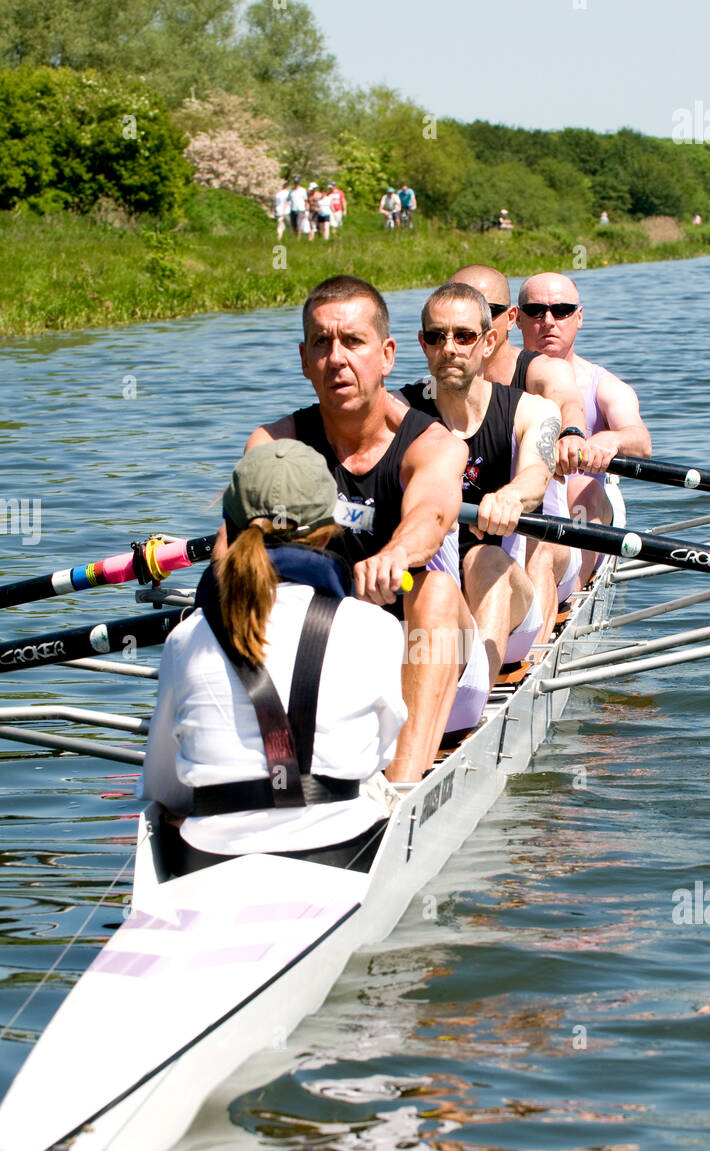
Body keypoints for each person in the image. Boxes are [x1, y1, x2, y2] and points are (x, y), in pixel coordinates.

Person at [245, 275, 481, 781]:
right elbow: (239, 545)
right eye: (322, 344)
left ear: (387, 355)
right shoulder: (274, 445)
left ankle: (398, 797)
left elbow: (431, 516)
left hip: (433, 653)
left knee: (434, 587)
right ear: (305, 360)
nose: (337, 358)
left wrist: (397, 554)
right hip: (326, 657)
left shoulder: (434, 445)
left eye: (353, 341)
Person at [141, 440, 407, 874]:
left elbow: (164, 787)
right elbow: (379, 757)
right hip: (344, 853)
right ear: (327, 530)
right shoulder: (375, 627)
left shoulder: (186, 638)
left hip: (208, 862)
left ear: (232, 525)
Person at [399, 282, 560, 688]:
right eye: (436, 337)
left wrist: (509, 497)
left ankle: (472, 696)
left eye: (464, 336)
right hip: (428, 591)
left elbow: (536, 478)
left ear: (488, 342)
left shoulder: (532, 410)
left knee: (486, 561)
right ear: (423, 344)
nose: (449, 348)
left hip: (508, 599)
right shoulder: (396, 413)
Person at [446, 265, 606, 640]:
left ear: (508, 318)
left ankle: (531, 659)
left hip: (543, 537)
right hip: (465, 543)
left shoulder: (539, 372)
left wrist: (570, 434)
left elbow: (565, 398)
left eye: (485, 310)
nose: (470, 324)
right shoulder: (432, 391)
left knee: (538, 544)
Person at [517, 271, 652, 582]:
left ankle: (569, 602)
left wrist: (612, 439)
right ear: (517, 319)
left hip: (582, 505)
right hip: (522, 501)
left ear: (579, 318)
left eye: (561, 310)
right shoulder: (496, 380)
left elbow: (642, 444)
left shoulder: (604, 386)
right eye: (536, 311)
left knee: (580, 489)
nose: (549, 321)